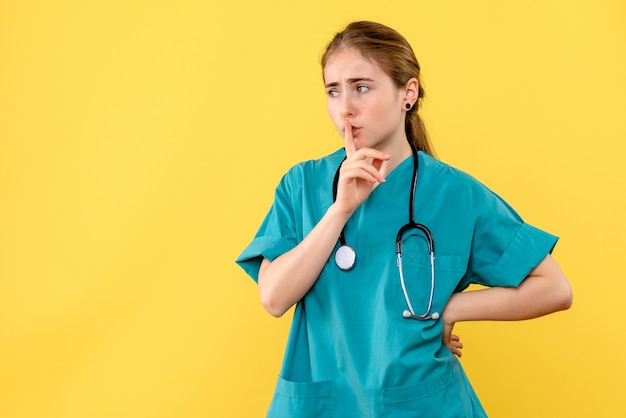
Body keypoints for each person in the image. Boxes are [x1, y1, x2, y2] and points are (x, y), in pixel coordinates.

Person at [236, 20, 572, 417]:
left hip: (422, 404)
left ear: (407, 94)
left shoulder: (455, 196)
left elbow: (554, 288)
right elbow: (274, 297)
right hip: (326, 405)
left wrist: (451, 309)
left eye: (362, 87)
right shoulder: (303, 185)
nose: (345, 108)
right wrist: (341, 209)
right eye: (333, 90)